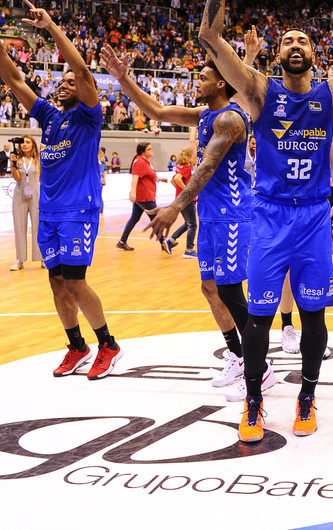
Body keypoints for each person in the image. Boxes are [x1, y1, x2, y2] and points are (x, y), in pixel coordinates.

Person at [198, 0, 333, 442]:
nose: (296, 45)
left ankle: (306, 396)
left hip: (309, 219)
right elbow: (211, 39)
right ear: (278, 55)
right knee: (259, 318)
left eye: (304, 40)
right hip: (267, 216)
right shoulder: (259, 93)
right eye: (288, 41)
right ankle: (254, 402)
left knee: (312, 316)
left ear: (314, 51)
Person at [103, 47, 274, 403]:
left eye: (205, 76)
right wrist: (123, 79)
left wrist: (176, 206)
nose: (198, 80)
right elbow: (158, 110)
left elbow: (208, 165)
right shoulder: (205, 114)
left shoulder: (230, 119)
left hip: (232, 213)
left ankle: (262, 367)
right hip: (212, 213)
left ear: (222, 83)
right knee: (209, 288)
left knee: (230, 291)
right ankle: (240, 357)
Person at [0, 0, 122, 380]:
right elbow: (14, 80)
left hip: (78, 210)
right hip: (48, 212)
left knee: (76, 282)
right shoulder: (49, 116)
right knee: (56, 281)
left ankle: (108, 344)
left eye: (70, 83)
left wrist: (49, 25)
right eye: (60, 82)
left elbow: (81, 68)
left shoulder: (89, 116)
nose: (64, 85)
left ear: (83, 90)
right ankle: (77, 346)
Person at [115, 142, 167, 250]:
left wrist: (159, 179)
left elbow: (148, 175)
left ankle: (122, 241)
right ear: (143, 152)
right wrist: (133, 193)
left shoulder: (145, 162)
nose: (152, 150)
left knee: (134, 218)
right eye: (149, 149)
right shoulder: (140, 162)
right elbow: (135, 178)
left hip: (143, 196)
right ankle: (164, 243)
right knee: (155, 219)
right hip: (145, 197)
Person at [10, 135, 41, 271]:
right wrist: (13, 164)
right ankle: (20, 260)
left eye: (28, 142)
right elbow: (16, 178)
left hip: (36, 193)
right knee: (19, 227)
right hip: (20, 193)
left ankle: (42, 258)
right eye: (22, 142)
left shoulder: (38, 160)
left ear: (33, 145)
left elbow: (41, 177)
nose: (24, 144)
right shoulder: (16, 159)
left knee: (38, 227)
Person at [164, 146, 198, 257]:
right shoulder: (186, 167)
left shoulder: (180, 166)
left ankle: (171, 241)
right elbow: (177, 179)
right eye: (194, 155)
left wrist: (180, 191)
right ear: (189, 156)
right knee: (192, 225)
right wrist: (187, 191)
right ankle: (189, 250)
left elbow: (173, 181)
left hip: (180, 200)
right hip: (187, 200)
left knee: (188, 223)